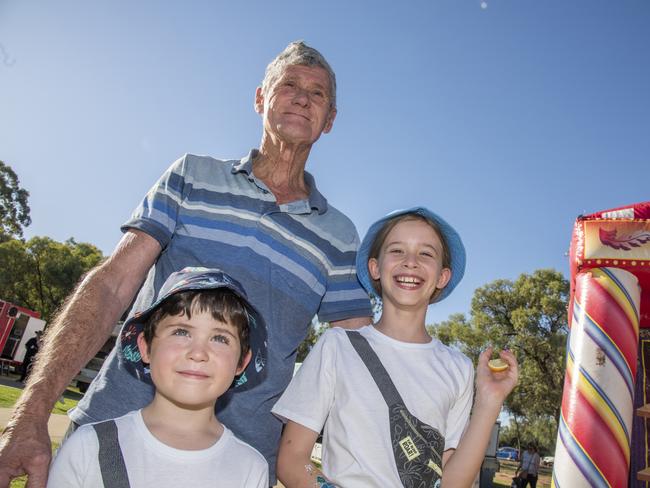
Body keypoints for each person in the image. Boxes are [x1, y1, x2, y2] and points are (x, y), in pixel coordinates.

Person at [0, 41, 371, 488]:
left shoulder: (339, 233)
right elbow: (113, 285)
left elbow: (357, 356)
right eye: (289, 84)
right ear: (260, 98)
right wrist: (32, 410)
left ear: (329, 119)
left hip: (242, 463)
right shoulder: (192, 174)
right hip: (114, 434)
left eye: (318, 93)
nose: (302, 98)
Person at [272, 207, 519, 487]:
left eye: (426, 253)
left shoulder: (458, 367)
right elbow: (292, 459)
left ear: (442, 277)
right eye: (397, 251)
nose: (411, 262)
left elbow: (451, 481)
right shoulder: (337, 346)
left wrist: (489, 401)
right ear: (375, 267)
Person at [46, 268, 268, 487]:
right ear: (146, 347)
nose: (198, 353)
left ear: (242, 362)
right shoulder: (89, 447)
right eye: (181, 332)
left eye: (220, 338)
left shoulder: (250, 468)